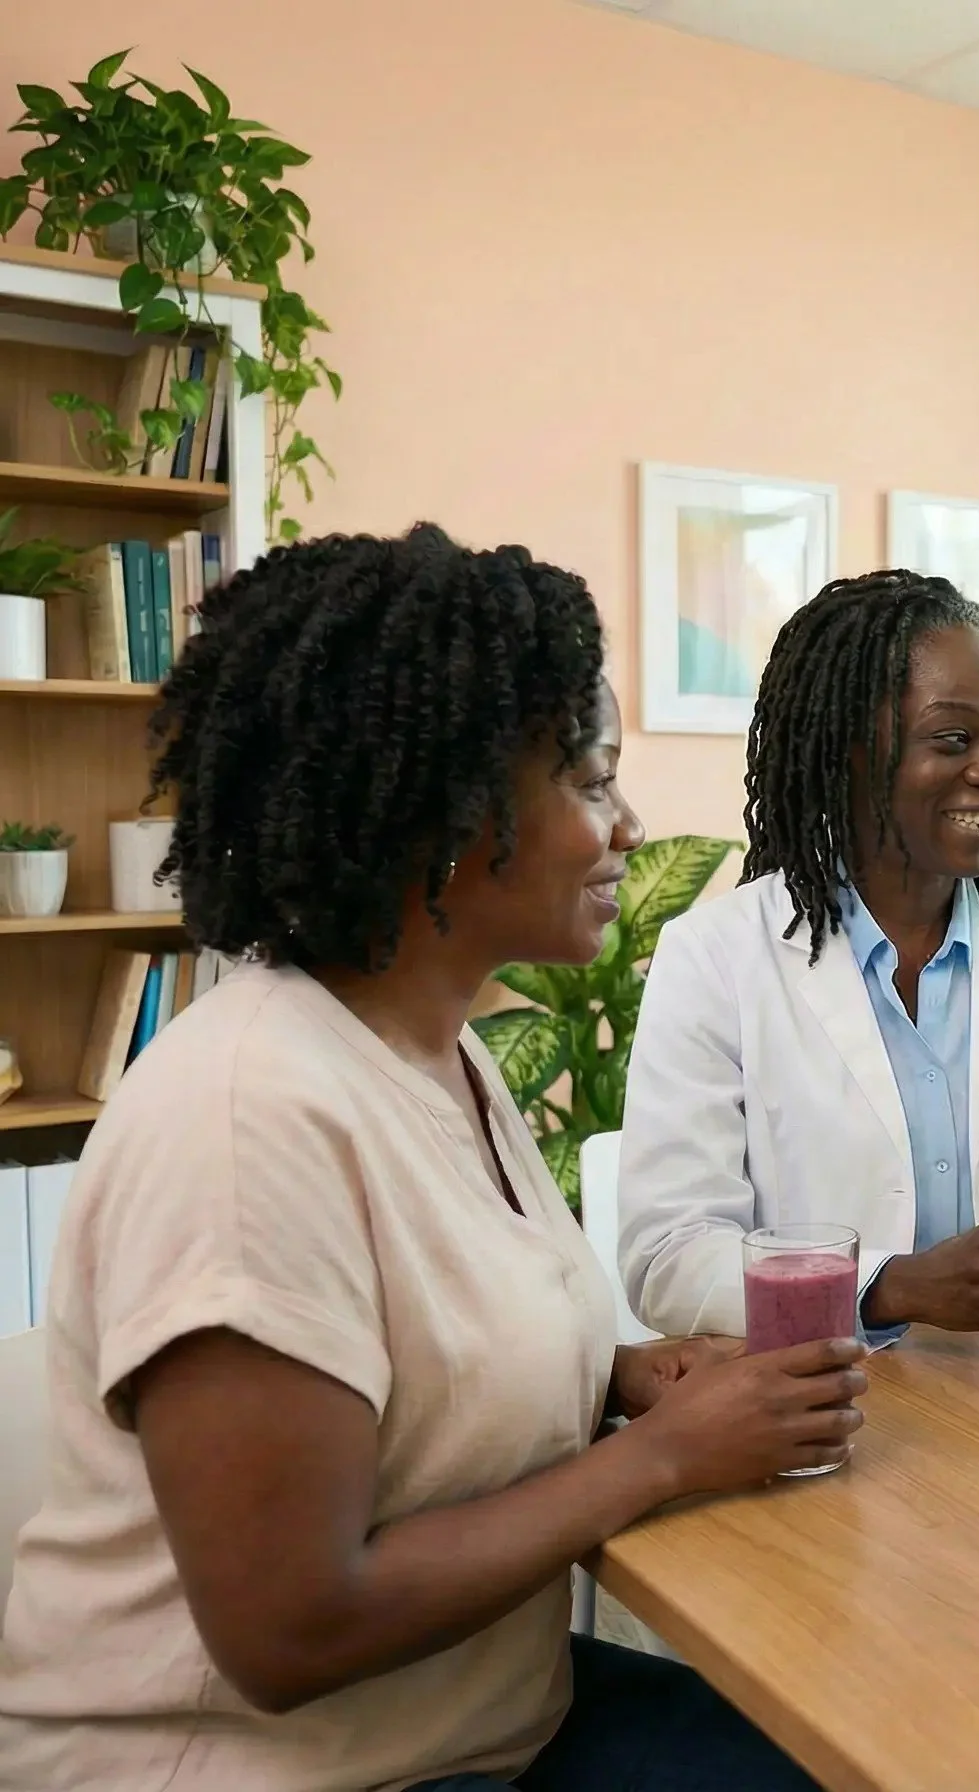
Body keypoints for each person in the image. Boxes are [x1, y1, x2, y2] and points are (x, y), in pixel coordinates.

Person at [0, 527, 857, 1792]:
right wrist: (666, 1455)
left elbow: (415, 1345)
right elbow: (290, 1629)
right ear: (447, 808)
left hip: (470, 1725)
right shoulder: (249, 1117)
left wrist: (626, 1375)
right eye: (591, 778)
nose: (627, 826)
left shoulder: (432, 1056)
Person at [619, 570, 979, 1354]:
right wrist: (897, 1286)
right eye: (954, 739)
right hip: (830, 1408)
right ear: (848, 752)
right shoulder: (715, 957)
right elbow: (669, 1257)